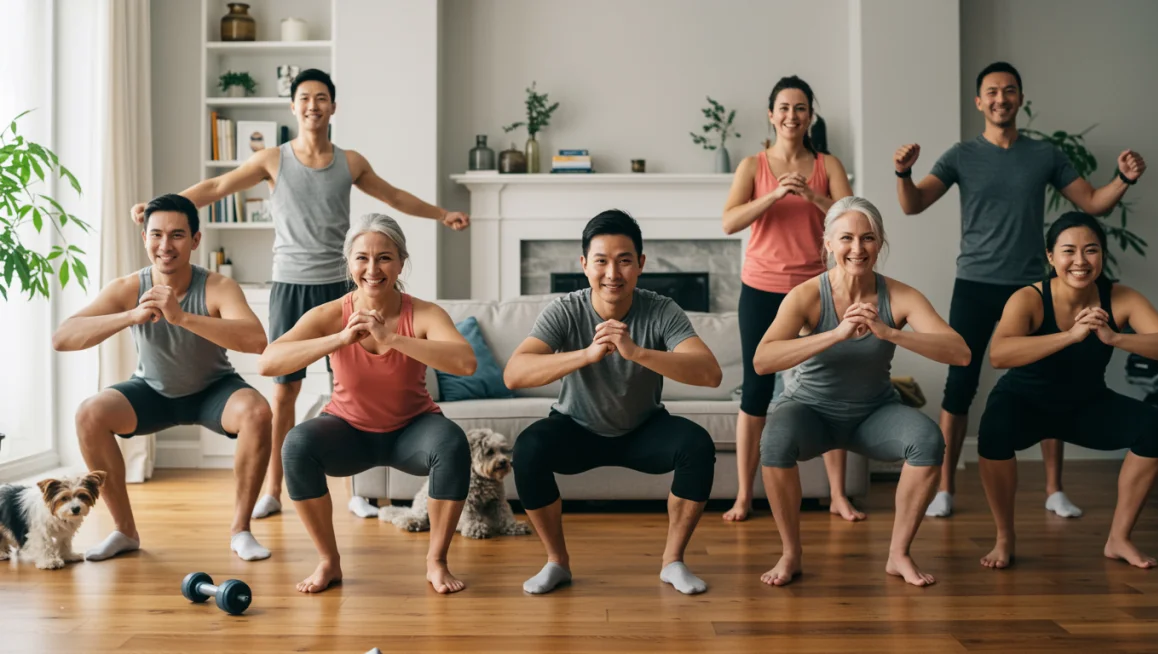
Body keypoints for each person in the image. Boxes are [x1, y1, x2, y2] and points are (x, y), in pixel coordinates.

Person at [130, 69, 470, 521]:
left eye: (322, 98)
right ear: (293, 107)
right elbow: (214, 188)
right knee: (284, 391)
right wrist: (158, 205)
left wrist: (443, 213)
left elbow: (393, 197)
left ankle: (355, 486)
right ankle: (275, 488)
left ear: (333, 107)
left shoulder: (350, 163)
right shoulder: (274, 159)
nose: (313, 106)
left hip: (341, 285)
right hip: (290, 283)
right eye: (305, 98)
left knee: (348, 384)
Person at [894, 61, 1147, 518]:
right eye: (991, 92)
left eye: (1008, 91)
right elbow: (913, 206)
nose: (1000, 99)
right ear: (979, 101)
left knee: (1052, 380)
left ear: (1020, 98)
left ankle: (1054, 490)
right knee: (959, 385)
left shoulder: (1044, 155)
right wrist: (902, 175)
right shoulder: (960, 156)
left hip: (1035, 287)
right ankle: (944, 489)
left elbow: (1092, 203)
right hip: (974, 281)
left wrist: (1124, 179)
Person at [504, 210, 723, 596]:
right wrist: (587, 354)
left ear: (640, 264)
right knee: (529, 449)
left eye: (624, 261)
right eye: (601, 261)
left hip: (644, 428)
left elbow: (709, 373)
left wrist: (636, 352)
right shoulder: (565, 310)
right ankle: (557, 562)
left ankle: (673, 561)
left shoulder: (660, 309)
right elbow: (515, 374)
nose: (612, 273)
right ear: (584, 265)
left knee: (697, 445)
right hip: (576, 427)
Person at [755, 196, 969, 588]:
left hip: (873, 414)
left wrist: (889, 332)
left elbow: (960, 351)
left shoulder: (899, 296)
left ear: (880, 242)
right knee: (774, 442)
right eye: (847, 238)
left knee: (927, 440)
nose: (857, 248)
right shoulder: (806, 296)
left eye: (868, 238)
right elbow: (763, 360)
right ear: (829, 244)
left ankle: (898, 554)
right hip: (809, 411)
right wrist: (834, 334)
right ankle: (791, 553)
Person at [259, 213, 477, 594]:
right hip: (348, 430)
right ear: (349, 263)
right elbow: (268, 362)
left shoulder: (423, 313)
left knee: (452, 443)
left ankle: (436, 561)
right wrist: (340, 339)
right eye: (362, 258)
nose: (372, 269)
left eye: (384, 258)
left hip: (413, 429)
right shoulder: (331, 314)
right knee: (296, 444)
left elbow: (465, 362)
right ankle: (329, 562)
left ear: (401, 262)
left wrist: (392, 338)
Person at [52, 194, 273, 562]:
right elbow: (63, 337)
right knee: (89, 413)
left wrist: (182, 317)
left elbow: (256, 340)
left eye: (177, 235)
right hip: (151, 391)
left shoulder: (217, 286)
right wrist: (129, 316)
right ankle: (124, 531)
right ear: (144, 238)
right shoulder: (128, 287)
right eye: (156, 235)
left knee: (258, 413)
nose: (165, 246)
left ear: (195, 240)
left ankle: (241, 530)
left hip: (213, 391)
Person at [978, 212, 1158, 570]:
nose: (1080, 261)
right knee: (993, 430)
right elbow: (999, 354)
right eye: (1068, 251)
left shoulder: (1119, 297)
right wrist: (1070, 336)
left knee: (1154, 427)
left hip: (1086, 404)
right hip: (1024, 401)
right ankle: (1004, 537)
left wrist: (1116, 338)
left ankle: (1119, 539)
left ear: (1102, 256)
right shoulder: (1029, 298)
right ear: (1050, 256)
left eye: (1091, 250)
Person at [721, 76, 855, 523]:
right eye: (783, 107)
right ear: (771, 114)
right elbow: (729, 222)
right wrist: (776, 194)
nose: (791, 116)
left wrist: (811, 194)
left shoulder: (828, 163)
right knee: (756, 391)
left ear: (810, 115)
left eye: (800, 108)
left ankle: (837, 495)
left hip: (815, 289)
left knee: (830, 389)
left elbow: (850, 218)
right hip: (760, 287)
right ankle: (743, 495)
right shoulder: (751, 165)